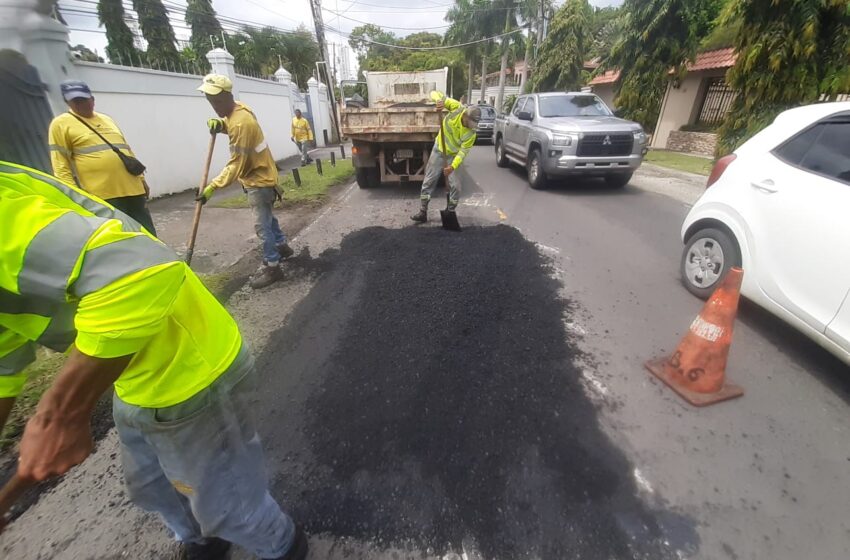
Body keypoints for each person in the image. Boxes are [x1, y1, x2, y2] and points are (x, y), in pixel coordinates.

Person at [0, 162, 308, 560]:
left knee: (230, 505)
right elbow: (5, 360)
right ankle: (201, 540)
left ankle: (281, 546)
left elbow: (143, 271)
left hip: (193, 370)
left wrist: (59, 414)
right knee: (154, 488)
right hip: (130, 373)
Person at [196, 74, 293, 290]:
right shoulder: (238, 109)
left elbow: (236, 164)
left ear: (226, 96)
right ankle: (282, 246)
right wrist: (220, 125)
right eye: (210, 101)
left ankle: (273, 266)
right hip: (262, 176)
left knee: (262, 226)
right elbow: (230, 124)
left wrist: (213, 186)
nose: (213, 105)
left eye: (216, 100)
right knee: (268, 217)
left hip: (258, 180)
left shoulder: (242, 124)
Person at [48, 79, 157, 235]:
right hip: (103, 195)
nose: (81, 104)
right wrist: (74, 196)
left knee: (148, 233)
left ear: (92, 99)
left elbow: (126, 150)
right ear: (68, 102)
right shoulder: (60, 124)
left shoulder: (107, 119)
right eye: (75, 101)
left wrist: (141, 180)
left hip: (133, 189)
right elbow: (60, 165)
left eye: (83, 99)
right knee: (121, 237)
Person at [410, 91, 481, 223]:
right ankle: (423, 211)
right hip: (439, 150)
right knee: (429, 181)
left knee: (456, 186)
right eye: (470, 123)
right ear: (465, 115)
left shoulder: (471, 134)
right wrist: (438, 101)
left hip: (453, 156)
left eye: (473, 125)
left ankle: (450, 210)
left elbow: (462, 153)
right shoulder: (456, 108)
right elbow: (433, 93)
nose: (471, 126)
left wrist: (452, 166)